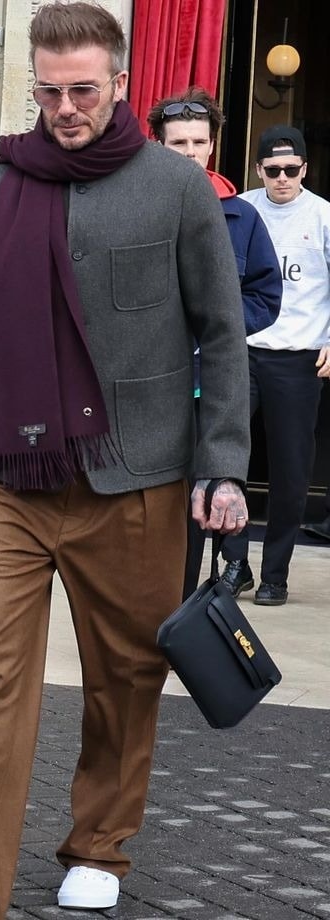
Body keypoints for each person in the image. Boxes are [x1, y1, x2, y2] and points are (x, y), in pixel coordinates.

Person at [0, 4, 250, 919]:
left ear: (120, 83)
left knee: (125, 675)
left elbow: (222, 332)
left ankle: (99, 847)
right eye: (48, 92)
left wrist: (223, 465)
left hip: (138, 477)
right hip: (7, 474)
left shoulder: (177, 188)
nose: (65, 108)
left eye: (83, 90)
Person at [146, 87, 282, 598]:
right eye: (178, 142)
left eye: (198, 142)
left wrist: (214, 326)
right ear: (157, 143)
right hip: (144, 389)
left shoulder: (243, 218)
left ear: (212, 144)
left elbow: (266, 295)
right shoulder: (134, 209)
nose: (190, 152)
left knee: (192, 517)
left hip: (211, 388)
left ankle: (179, 615)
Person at [217, 124, 330, 605]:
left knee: (290, 470)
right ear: (258, 169)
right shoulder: (240, 211)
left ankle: (276, 575)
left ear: (305, 168)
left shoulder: (323, 215)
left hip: (299, 357)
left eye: (291, 169)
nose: (282, 178)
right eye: (273, 169)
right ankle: (235, 564)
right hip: (241, 351)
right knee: (226, 460)